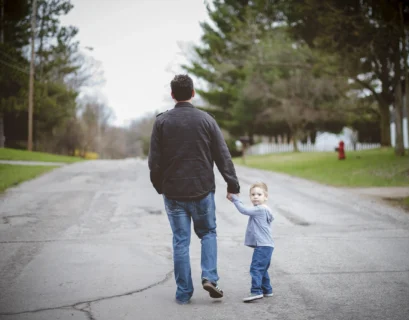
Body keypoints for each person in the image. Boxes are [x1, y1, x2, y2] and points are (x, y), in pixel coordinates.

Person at [148, 74, 240, 305]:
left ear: (172, 95)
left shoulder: (162, 122)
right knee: (207, 233)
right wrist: (232, 185)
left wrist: (161, 187)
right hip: (202, 190)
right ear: (193, 93)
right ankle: (209, 277)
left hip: (174, 193)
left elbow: (154, 161)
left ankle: (183, 293)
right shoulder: (206, 120)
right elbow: (222, 154)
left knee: (181, 241)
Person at [228, 182, 274, 302]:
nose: (255, 196)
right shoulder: (266, 210)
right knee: (262, 269)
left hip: (263, 245)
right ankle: (267, 290)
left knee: (256, 268)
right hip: (268, 245)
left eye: (259, 194)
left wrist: (234, 199)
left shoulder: (259, 209)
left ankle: (256, 291)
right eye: (253, 194)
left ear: (266, 197)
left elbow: (243, 210)